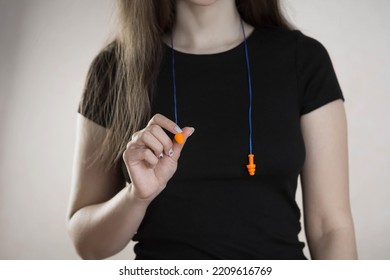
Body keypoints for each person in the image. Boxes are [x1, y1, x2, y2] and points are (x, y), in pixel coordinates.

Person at [67, 0, 358, 259]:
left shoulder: (303, 60)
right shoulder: (114, 69)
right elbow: (88, 244)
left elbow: (330, 229)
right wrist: (135, 198)